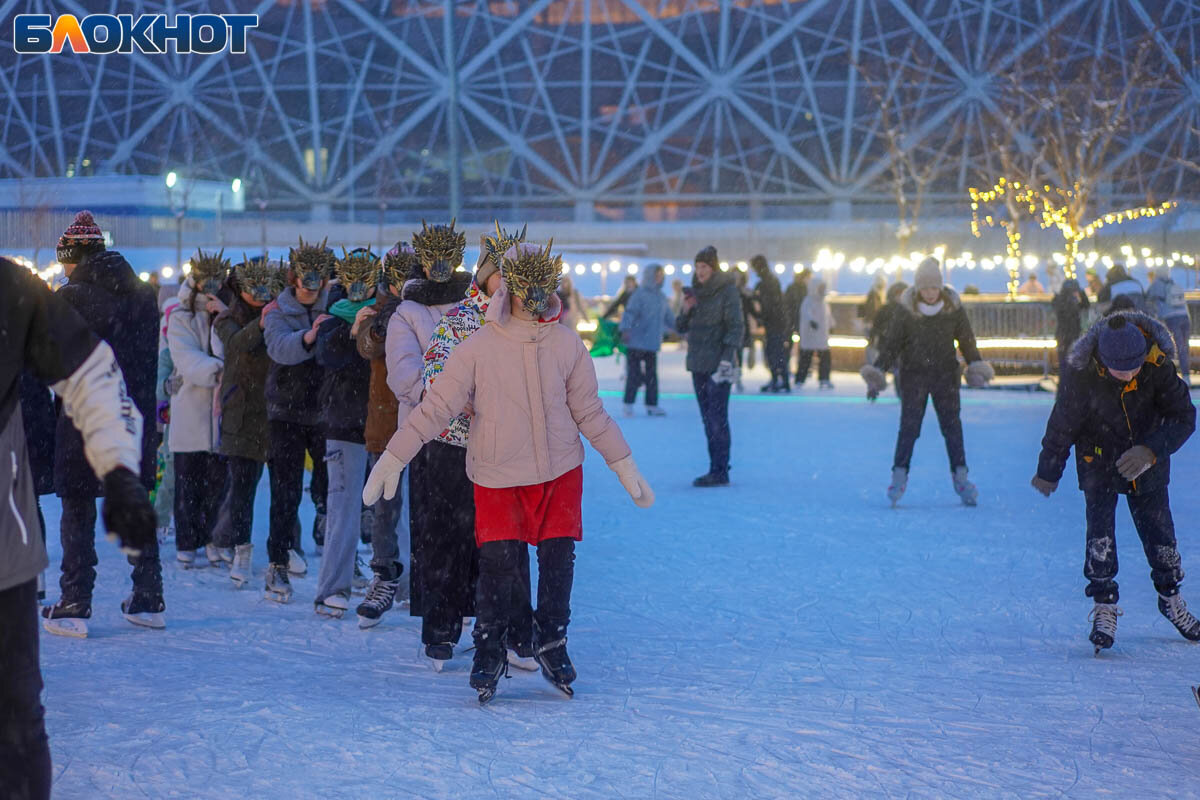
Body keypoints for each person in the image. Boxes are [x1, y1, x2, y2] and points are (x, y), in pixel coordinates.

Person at [361, 241, 655, 704]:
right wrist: (395, 456)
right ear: (510, 289)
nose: (535, 299)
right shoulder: (479, 344)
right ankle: (491, 645)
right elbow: (436, 407)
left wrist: (623, 462)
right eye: (526, 288)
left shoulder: (565, 343)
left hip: (559, 470)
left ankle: (553, 641)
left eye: (544, 288)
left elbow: (590, 412)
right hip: (498, 472)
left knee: (558, 560)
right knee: (498, 566)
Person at [1, 256, 157, 799]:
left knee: (14, 718)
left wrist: (117, 469)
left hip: (3, 553)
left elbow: (92, 372)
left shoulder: (9, 289)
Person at [1032, 311, 1200, 653]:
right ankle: (1104, 606)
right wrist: (1049, 469)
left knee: (1161, 536)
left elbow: (1184, 416)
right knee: (1100, 539)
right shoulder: (1082, 376)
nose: (1128, 374)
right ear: (1102, 361)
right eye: (1119, 369)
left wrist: (1151, 451)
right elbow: (1062, 424)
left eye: (1134, 366)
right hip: (1098, 462)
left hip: (1147, 467)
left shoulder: (1157, 367)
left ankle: (1170, 598)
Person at [419, 224, 537, 671]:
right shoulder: (459, 321)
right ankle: (441, 630)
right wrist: (482, 406)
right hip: (455, 447)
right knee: (449, 535)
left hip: (508, 451)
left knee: (510, 542)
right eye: (501, 274)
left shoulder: (527, 326)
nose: (508, 284)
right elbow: (436, 381)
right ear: (485, 276)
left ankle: (517, 634)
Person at [41, 212, 164, 637]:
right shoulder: (143, 296)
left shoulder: (69, 297)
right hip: (132, 414)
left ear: (73, 257)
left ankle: (75, 601)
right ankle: (149, 598)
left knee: (77, 507)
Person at [384, 220, 475, 669]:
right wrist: (446, 400)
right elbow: (402, 375)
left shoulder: (476, 306)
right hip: (430, 436)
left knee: (480, 530)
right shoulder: (407, 313)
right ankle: (440, 628)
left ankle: (483, 615)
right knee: (437, 532)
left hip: (479, 436)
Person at [860, 257, 993, 507]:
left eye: (934, 288)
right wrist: (878, 372)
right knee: (909, 428)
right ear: (918, 288)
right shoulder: (906, 310)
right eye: (925, 288)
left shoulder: (952, 308)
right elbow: (890, 346)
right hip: (914, 376)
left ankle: (961, 478)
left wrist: (975, 364)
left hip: (945, 376)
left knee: (952, 427)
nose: (931, 294)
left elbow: (966, 340)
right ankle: (898, 476)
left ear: (941, 287)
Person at [262, 237, 334, 601]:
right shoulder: (276, 311)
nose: (311, 282)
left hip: (325, 411)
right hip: (285, 412)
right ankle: (277, 563)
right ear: (293, 277)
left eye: (317, 275)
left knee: (329, 489)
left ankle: (337, 556)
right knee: (285, 492)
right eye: (306, 275)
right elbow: (279, 348)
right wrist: (310, 336)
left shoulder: (336, 305)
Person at [311, 248, 378, 617]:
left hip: (384, 423)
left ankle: (400, 583)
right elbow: (328, 356)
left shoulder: (386, 313)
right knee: (343, 509)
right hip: (343, 423)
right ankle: (333, 588)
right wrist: (355, 333)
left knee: (393, 511)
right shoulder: (332, 318)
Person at [211, 257, 283, 588]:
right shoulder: (226, 319)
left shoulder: (280, 312)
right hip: (241, 414)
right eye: (254, 288)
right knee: (243, 489)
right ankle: (241, 549)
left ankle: (285, 550)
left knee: (286, 489)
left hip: (278, 409)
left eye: (266, 287)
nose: (261, 293)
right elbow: (237, 344)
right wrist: (262, 323)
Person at [354, 243, 415, 626]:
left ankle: (426, 578)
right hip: (386, 421)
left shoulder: (434, 310)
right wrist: (381, 319)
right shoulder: (375, 313)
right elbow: (366, 345)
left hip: (430, 420)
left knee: (431, 507)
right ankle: (385, 575)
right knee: (385, 504)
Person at [165, 251, 230, 571]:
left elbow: (229, 350)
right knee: (188, 482)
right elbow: (186, 360)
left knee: (217, 483)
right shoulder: (179, 317)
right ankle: (187, 541)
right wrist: (221, 370)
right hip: (191, 410)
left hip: (219, 415)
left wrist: (221, 322)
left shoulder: (224, 316)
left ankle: (213, 539)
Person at [676, 246, 744, 487]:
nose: (700, 271)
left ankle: (720, 469)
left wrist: (727, 357)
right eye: (697, 267)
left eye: (704, 267)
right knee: (708, 418)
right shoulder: (693, 293)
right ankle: (715, 466)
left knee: (718, 418)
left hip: (718, 364)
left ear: (713, 268)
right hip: (698, 364)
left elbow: (736, 326)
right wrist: (686, 309)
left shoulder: (727, 292)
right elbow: (680, 327)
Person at [619, 263, 675, 416]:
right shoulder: (639, 294)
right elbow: (629, 313)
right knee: (634, 374)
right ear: (650, 276)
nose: (659, 278)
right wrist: (625, 329)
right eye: (657, 275)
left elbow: (669, 318)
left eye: (661, 275)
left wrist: (682, 329)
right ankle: (628, 403)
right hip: (636, 341)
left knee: (651, 375)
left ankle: (652, 404)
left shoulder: (661, 297)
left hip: (651, 342)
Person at [1145, 264, 1191, 384]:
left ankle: (1169, 376)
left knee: (1169, 346)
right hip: (1185, 317)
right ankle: (1186, 375)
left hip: (1171, 318)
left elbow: (1148, 300)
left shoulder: (1156, 285)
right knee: (1184, 347)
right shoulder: (1172, 283)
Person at [750, 255, 790, 392]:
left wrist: (761, 315)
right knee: (776, 352)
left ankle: (779, 380)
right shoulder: (770, 281)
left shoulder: (767, 282)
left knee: (774, 352)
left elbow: (771, 304)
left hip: (774, 322)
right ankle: (781, 380)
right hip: (776, 321)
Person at [797, 280, 833, 389]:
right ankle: (800, 379)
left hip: (821, 335)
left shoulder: (823, 302)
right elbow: (806, 314)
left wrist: (832, 325)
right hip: (810, 335)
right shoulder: (808, 301)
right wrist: (811, 322)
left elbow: (828, 316)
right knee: (806, 358)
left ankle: (824, 378)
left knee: (825, 357)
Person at [1052, 278, 1089, 376]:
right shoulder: (1072, 301)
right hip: (1073, 332)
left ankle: (1064, 377)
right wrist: (1082, 292)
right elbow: (1086, 305)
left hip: (1062, 333)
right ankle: (1070, 376)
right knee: (1072, 356)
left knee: (1063, 356)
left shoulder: (1059, 299)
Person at [784, 268, 811, 380]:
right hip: (800, 321)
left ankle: (786, 370)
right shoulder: (805, 289)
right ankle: (801, 373)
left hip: (791, 320)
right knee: (804, 348)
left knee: (787, 347)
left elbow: (786, 303)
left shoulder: (792, 288)